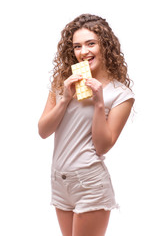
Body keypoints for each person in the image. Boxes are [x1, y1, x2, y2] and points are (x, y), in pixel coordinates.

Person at [38, 14, 135, 236]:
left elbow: (103, 146)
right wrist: (64, 99)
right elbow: (43, 131)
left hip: (89, 182)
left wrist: (99, 102)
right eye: (77, 46)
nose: (84, 52)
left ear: (105, 46)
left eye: (91, 43)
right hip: (59, 179)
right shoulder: (63, 82)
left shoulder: (120, 94)